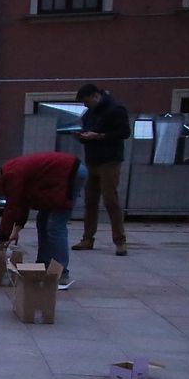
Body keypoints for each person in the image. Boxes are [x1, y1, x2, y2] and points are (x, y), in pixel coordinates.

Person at [0, 151, 82, 290]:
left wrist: (3, 238)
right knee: (43, 219)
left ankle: (61, 273)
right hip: (61, 174)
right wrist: (17, 229)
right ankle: (43, 265)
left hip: (71, 172)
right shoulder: (10, 171)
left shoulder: (11, 175)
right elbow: (22, 202)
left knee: (55, 224)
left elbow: (12, 207)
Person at [72, 83, 131, 255]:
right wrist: (83, 137)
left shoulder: (116, 109)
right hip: (92, 160)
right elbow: (88, 130)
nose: (85, 105)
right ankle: (87, 238)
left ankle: (120, 241)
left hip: (110, 161)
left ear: (95, 96)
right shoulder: (90, 113)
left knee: (110, 200)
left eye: (86, 101)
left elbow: (124, 133)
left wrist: (98, 136)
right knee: (90, 201)